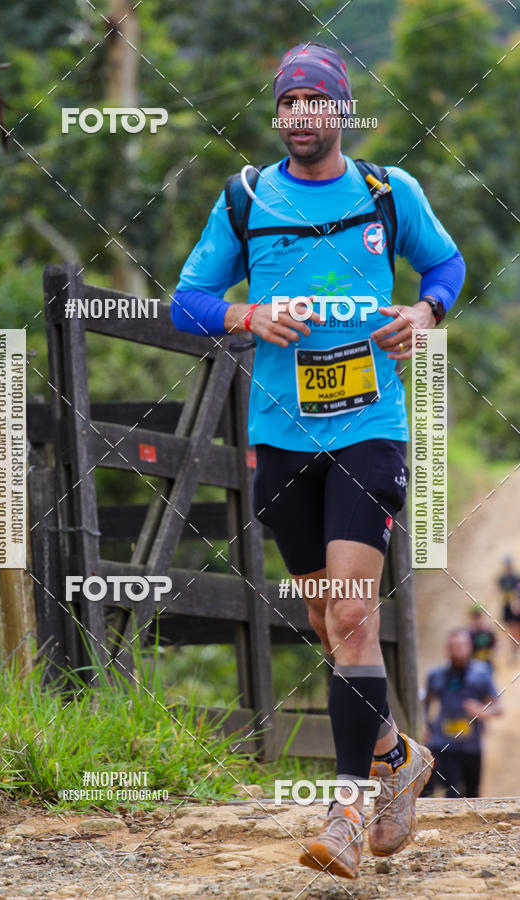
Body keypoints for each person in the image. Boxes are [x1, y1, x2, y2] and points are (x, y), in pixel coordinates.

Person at [171, 41, 465, 879]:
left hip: (370, 428)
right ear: (279, 114)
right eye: (289, 101)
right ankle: (400, 754)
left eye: (316, 99)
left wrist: (427, 311)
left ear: (340, 109)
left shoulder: (386, 192)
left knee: (351, 616)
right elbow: (187, 302)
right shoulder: (245, 199)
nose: (303, 113)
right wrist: (246, 318)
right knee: (326, 625)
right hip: (280, 436)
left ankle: (344, 811)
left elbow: (446, 263)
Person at [422, 628, 502, 798]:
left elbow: (499, 707)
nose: (457, 650)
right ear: (447, 649)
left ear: (470, 647)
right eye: (453, 646)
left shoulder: (481, 673)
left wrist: (482, 711)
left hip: (472, 747)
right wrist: (424, 725)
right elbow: (425, 703)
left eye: (461, 646)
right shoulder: (436, 674)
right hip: (445, 745)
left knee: (473, 794)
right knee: (452, 793)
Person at [499, 556, 520, 660]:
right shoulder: (502, 578)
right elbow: (500, 591)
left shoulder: (516, 577)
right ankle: (513, 651)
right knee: (511, 629)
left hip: (516, 605)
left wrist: (516, 601)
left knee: (516, 629)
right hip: (506, 606)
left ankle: (515, 650)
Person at [467, 605, 497, 670]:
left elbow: (495, 645)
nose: (477, 619)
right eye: (475, 616)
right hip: (473, 663)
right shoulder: (469, 633)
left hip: (487, 662)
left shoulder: (489, 632)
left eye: (479, 616)